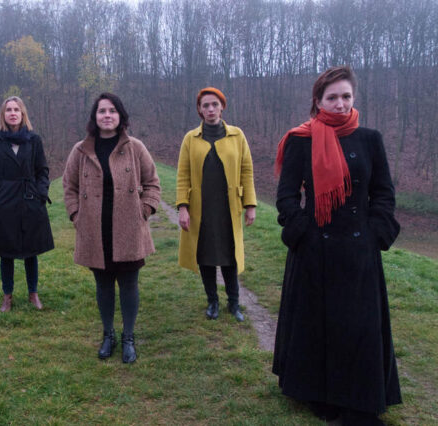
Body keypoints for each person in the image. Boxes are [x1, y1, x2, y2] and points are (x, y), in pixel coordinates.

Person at [272, 66, 401, 425]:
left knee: (359, 326)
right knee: (318, 325)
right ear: (318, 101)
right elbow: (286, 196)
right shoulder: (301, 140)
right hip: (316, 250)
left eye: (346, 96)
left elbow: (383, 193)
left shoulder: (370, 139)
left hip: (359, 250)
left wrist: (375, 233)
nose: (341, 104)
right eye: (332, 97)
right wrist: (303, 232)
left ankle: (359, 401)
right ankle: (319, 394)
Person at [62, 92, 160, 363]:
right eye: (102, 111)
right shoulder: (81, 150)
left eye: (112, 111)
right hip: (95, 230)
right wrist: (76, 215)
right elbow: (69, 187)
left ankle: (128, 337)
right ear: (95, 116)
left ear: (120, 116)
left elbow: (153, 183)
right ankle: (108, 335)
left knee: (129, 284)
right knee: (103, 285)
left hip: (129, 229)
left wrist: (144, 211)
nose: (107, 115)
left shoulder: (135, 147)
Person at [176, 87, 257, 322]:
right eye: (205, 106)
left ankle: (234, 302)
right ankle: (212, 302)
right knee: (206, 256)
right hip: (201, 210)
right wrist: (183, 207)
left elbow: (246, 170)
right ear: (200, 110)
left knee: (230, 256)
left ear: (222, 107)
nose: (210, 109)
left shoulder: (237, 135)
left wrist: (250, 205)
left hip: (228, 208)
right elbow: (183, 174)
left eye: (214, 104)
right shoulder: (190, 139)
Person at [0, 96, 54, 312]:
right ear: (3, 114)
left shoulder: (34, 140)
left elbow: (42, 171)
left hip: (30, 201)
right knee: (6, 252)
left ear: (23, 114)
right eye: (9, 110)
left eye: (16, 110)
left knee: (31, 251)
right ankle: (7, 296)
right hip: (3, 203)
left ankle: (33, 294)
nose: (13, 113)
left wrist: (41, 193)